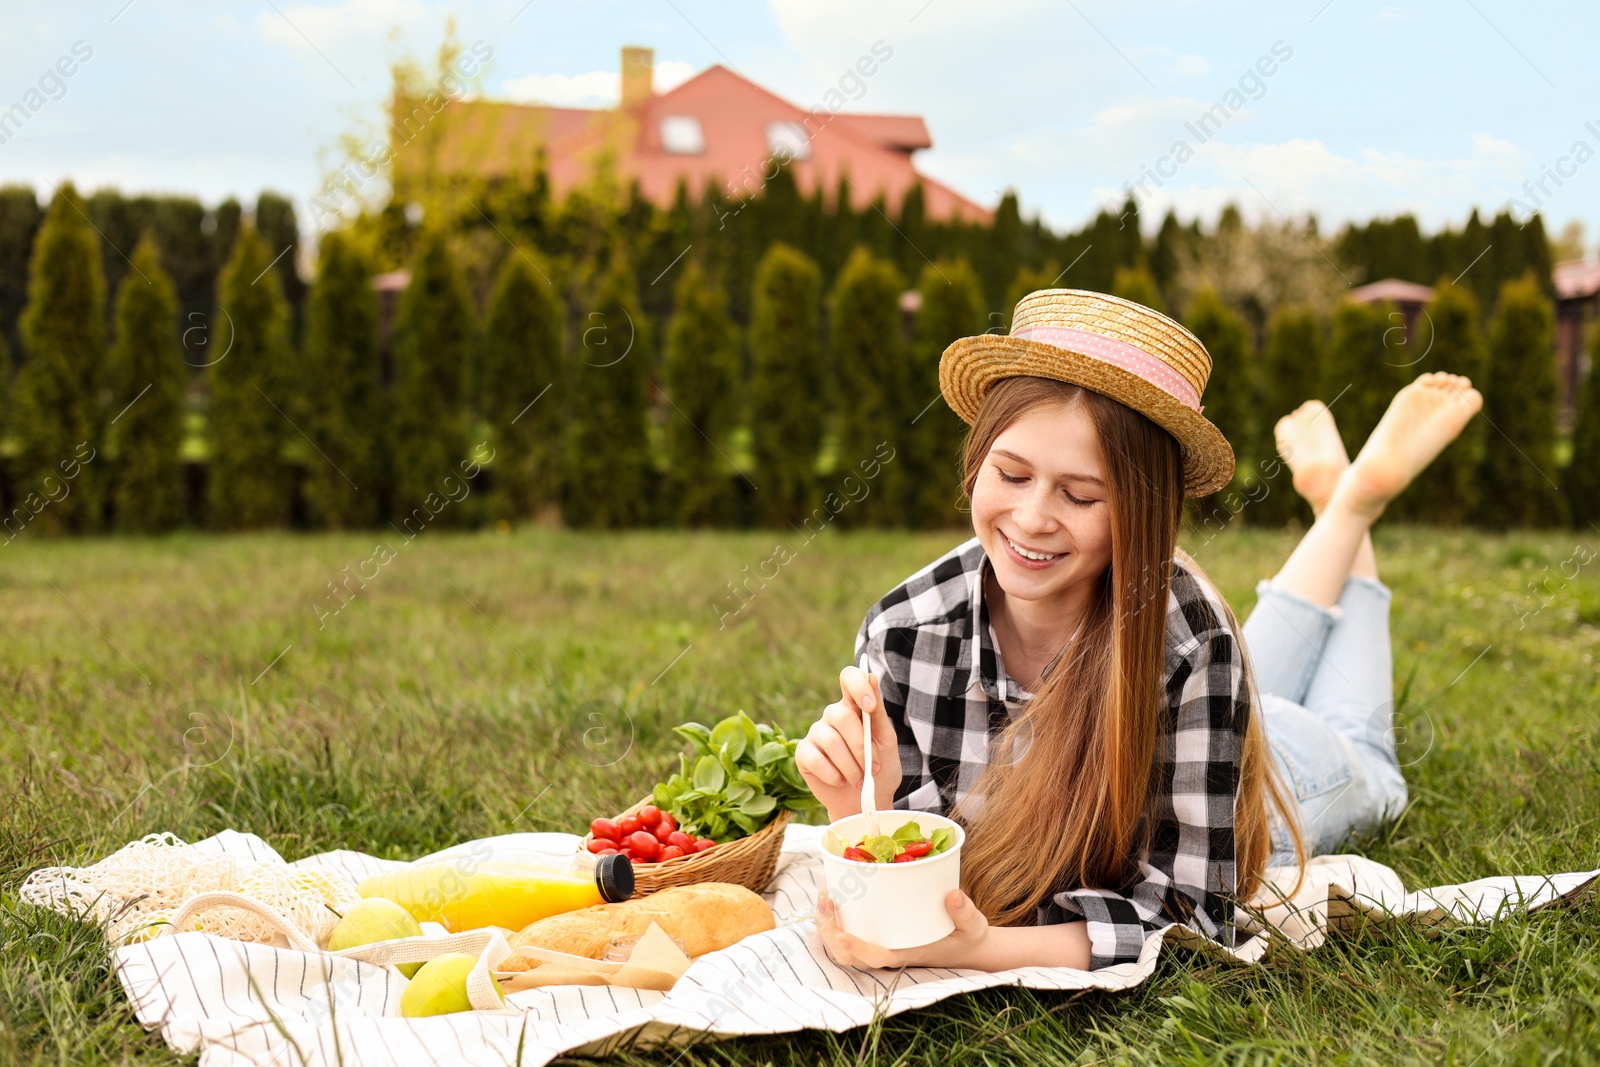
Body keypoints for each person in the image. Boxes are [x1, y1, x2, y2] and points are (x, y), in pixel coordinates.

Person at [796, 288, 1484, 972]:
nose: (1033, 516)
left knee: (1374, 761)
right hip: (1207, 705)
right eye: (1011, 473)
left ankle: (1354, 503)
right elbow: (910, 872)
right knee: (1235, 660)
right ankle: (1339, 503)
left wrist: (985, 950)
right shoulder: (905, 630)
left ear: (1141, 509)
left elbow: (1191, 911)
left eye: (1081, 495)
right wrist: (859, 805)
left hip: (1282, 778)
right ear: (977, 461)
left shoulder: (1192, 643)